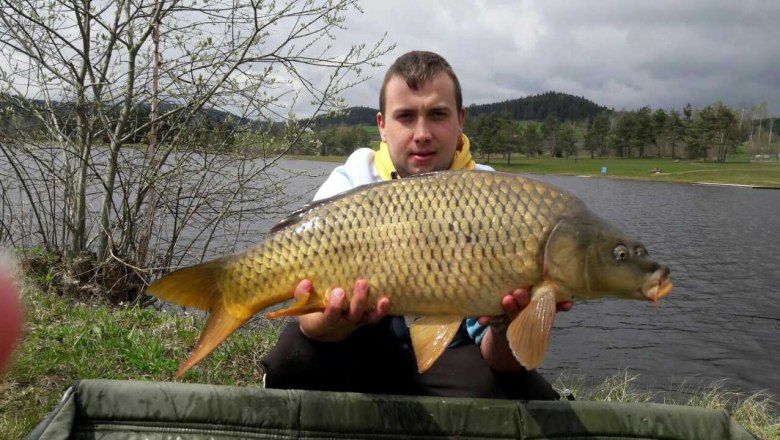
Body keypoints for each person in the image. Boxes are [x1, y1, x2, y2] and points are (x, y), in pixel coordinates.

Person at [261, 50, 572, 399]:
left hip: (453, 351)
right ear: (382, 125)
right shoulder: (353, 180)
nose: (422, 133)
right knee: (294, 356)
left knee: (517, 390)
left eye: (437, 115)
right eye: (406, 116)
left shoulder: (494, 197)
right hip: (366, 342)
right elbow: (312, 326)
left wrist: (504, 326)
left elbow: (501, 360)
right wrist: (340, 319)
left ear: (460, 120)